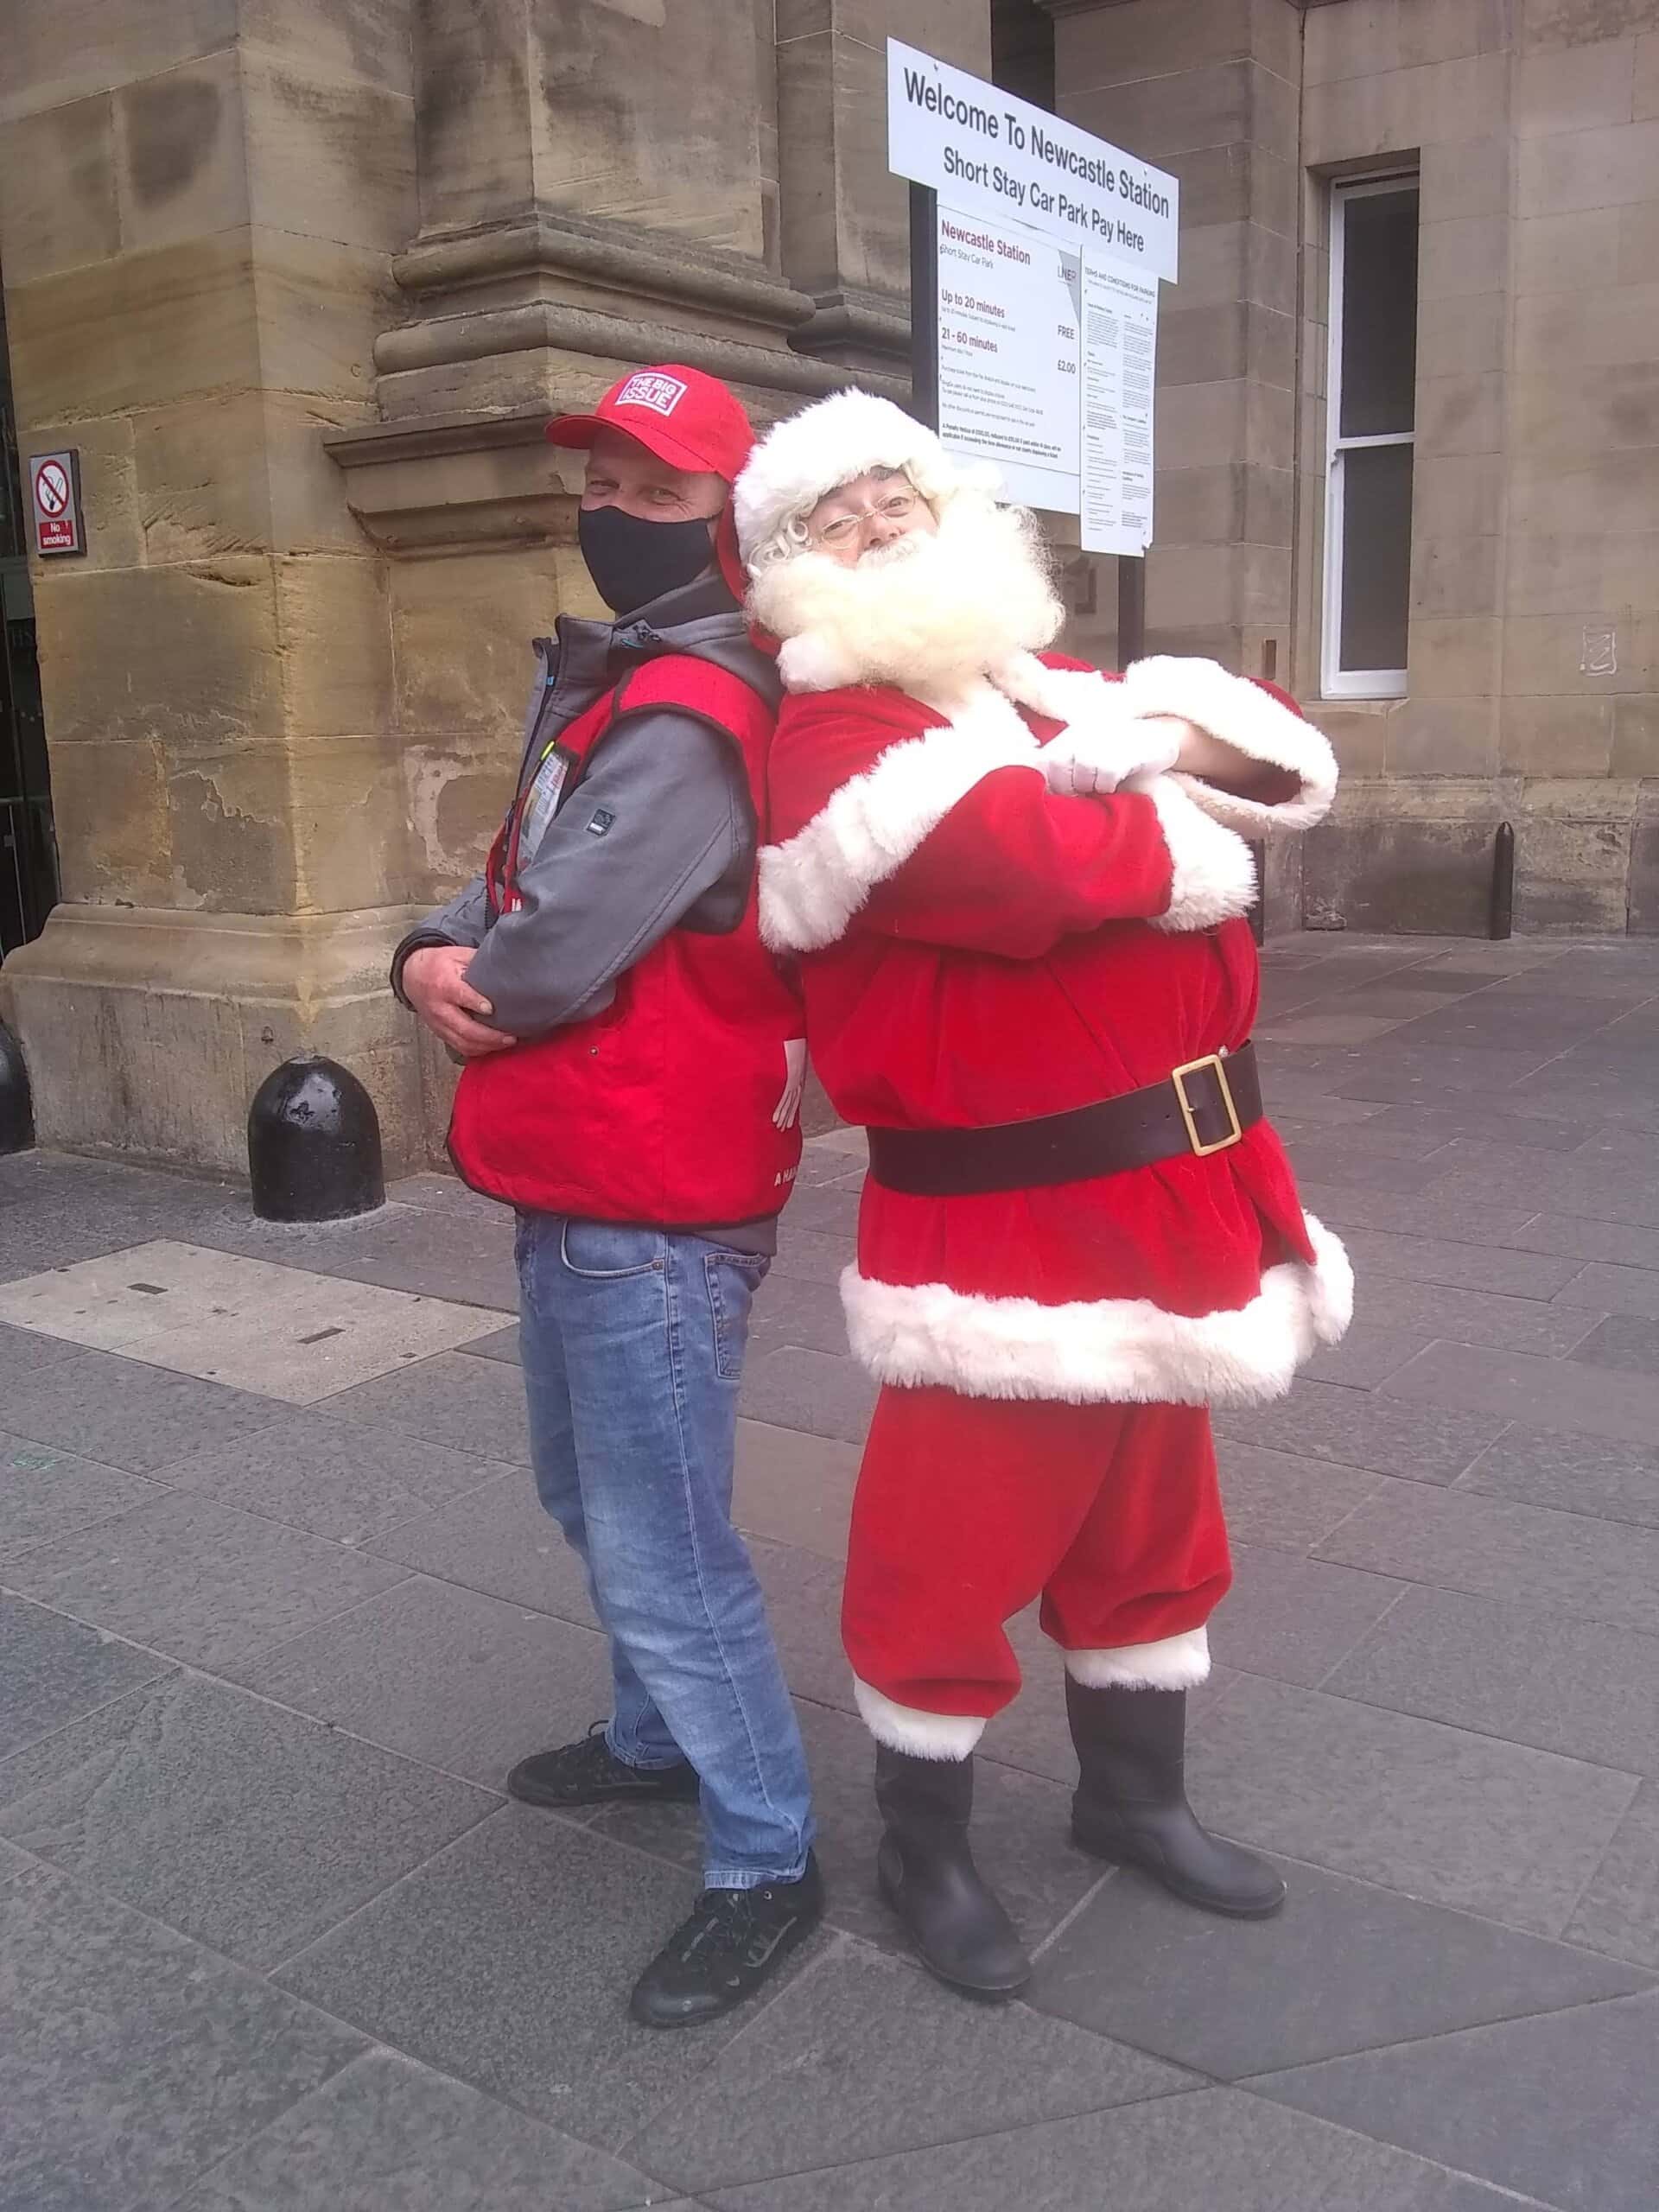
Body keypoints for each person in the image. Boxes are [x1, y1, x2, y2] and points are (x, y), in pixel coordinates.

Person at [731, 389, 1351, 1999]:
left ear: (955, 510)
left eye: (893, 498)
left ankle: (1133, 1798)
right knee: (953, 1541)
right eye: (829, 522)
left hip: (1187, 1195)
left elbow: (1281, 750)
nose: (873, 532)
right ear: (785, 573)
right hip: (1001, 1232)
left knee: (1154, 1516)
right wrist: (1174, 809)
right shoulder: (833, 734)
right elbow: (1023, 866)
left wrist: (1157, 739)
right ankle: (921, 1844)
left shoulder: (1060, 686)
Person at [393, 365, 820, 2029]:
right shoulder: (628, 680)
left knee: (664, 1540)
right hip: (588, 1166)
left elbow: (546, 953)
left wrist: (442, 965)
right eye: (607, 486)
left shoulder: (699, 709)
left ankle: (767, 1852)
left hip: (651, 1191)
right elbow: (519, 870)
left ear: (730, 522)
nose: (616, 519)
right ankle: (654, 1741)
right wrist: (426, 940)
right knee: (593, 1495)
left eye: (661, 497)